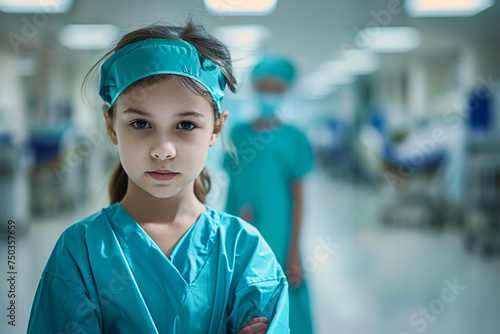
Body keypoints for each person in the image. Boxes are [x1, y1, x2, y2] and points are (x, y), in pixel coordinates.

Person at [27, 21, 289, 334]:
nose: (163, 150)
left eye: (186, 125)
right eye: (140, 124)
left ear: (216, 128)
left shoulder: (244, 253)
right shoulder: (79, 252)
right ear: (111, 126)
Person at [224, 56, 314, 333]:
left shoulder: (294, 138)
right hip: (242, 229)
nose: (269, 95)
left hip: (280, 231)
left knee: (285, 293)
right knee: (244, 297)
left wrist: (295, 253)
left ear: (286, 92)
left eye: (276, 89)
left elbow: (298, 197)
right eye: (264, 87)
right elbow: (233, 188)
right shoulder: (238, 134)